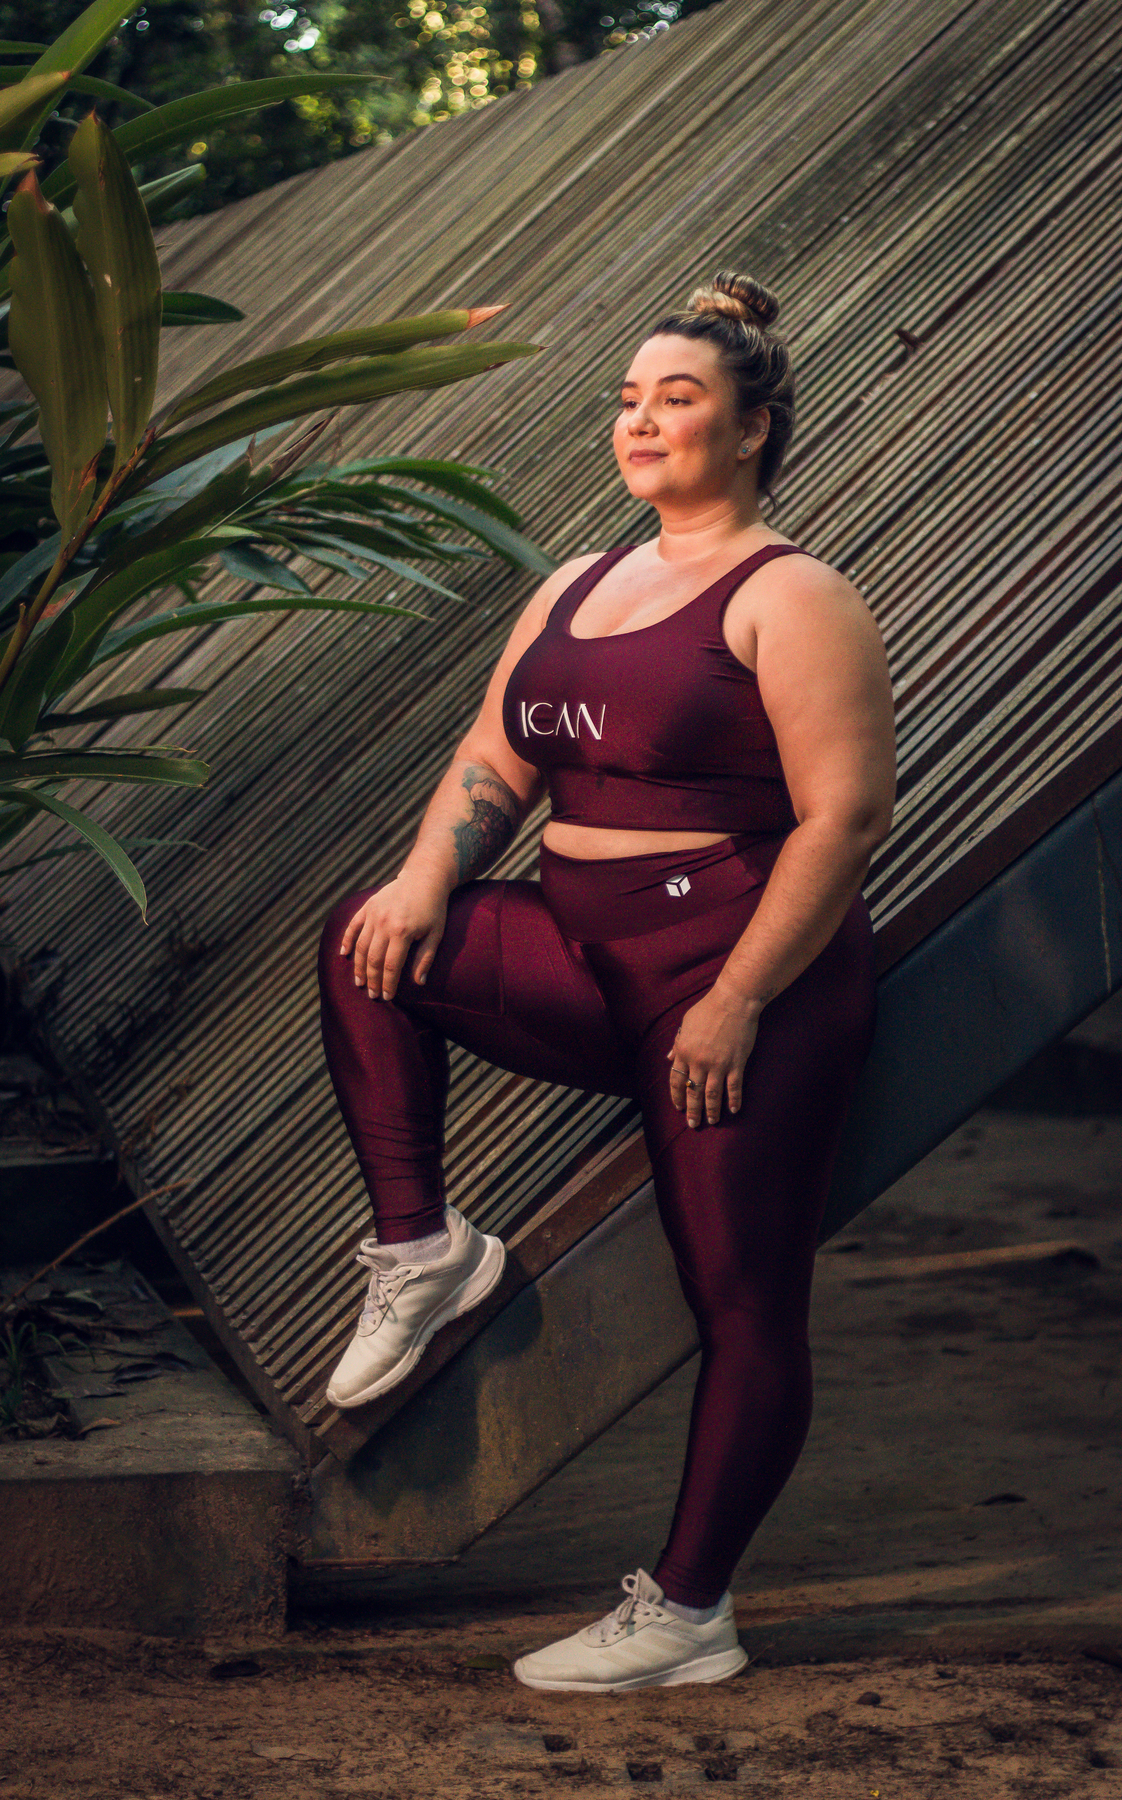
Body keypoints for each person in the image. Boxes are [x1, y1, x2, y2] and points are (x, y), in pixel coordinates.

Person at [316, 269, 896, 1693]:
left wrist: (739, 998)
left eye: (675, 399)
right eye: (627, 399)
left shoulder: (793, 594)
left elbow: (845, 819)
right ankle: (424, 1250)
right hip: (581, 951)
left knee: (742, 1299)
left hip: (737, 978)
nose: (638, 421)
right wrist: (427, 879)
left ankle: (690, 1613)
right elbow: (494, 757)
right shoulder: (575, 585)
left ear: (752, 429)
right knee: (367, 945)